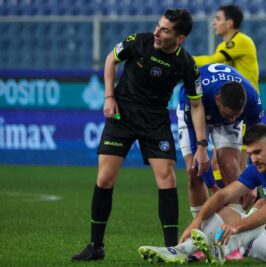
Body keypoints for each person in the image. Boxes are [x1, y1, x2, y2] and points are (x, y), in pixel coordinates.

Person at [72, 9, 210, 262]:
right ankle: (96, 246)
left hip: (154, 120)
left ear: (180, 38)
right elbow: (110, 60)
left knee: (167, 178)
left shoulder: (187, 64)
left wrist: (202, 145)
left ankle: (172, 250)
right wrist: (109, 96)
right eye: (158, 26)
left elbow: (197, 104)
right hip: (121, 115)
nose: (157, 32)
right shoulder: (139, 41)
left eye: (165, 30)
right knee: (104, 178)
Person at [138, 123, 266, 265]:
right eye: (250, 154)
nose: (253, 159)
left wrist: (237, 228)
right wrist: (196, 222)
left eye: (257, 152)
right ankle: (180, 251)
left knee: (264, 204)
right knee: (226, 211)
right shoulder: (259, 166)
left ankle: (222, 250)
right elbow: (223, 196)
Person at [177, 63, 263, 219]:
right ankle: (201, 229)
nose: (232, 120)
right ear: (218, 100)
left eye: (237, 116)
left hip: (216, 109)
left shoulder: (252, 101)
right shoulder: (195, 94)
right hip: (198, 107)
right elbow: (197, 151)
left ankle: (234, 227)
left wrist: (253, 180)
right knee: (194, 171)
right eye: (229, 114)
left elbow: (257, 145)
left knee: (230, 166)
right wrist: (213, 187)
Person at [193, 4, 260, 187]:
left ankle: (249, 206)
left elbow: (213, 62)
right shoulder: (224, 45)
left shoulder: (242, 41)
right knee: (226, 163)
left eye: (218, 19)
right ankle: (235, 205)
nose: (214, 23)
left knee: (238, 163)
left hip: (243, 108)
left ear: (229, 23)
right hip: (231, 106)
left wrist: (186, 60)